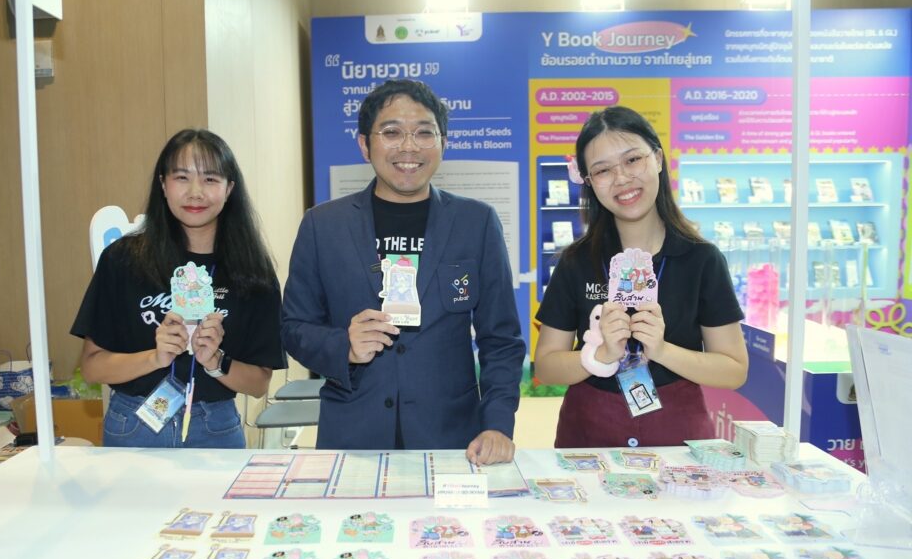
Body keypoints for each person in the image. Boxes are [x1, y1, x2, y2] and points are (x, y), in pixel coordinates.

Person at [281, 79, 525, 464]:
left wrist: (497, 423)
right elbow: (295, 327)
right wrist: (344, 346)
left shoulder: (475, 222)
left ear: (443, 143)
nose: (409, 147)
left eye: (424, 133)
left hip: (451, 436)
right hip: (352, 435)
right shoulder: (322, 225)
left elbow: (502, 339)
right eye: (392, 132)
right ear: (365, 145)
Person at [533, 106, 747, 448]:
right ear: (589, 181)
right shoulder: (575, 262)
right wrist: (600, 355)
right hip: (589, 435)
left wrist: (661, 350)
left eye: (633, 160)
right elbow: (546, 366)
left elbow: (734, 369)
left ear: (658, 158)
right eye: (603, 170)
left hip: (678, 439)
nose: (621, 179)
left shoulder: (701, 260)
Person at [72, 129, 285, 448]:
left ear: (229, 188)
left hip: (214, 426)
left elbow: (259, 383)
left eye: (210, 179)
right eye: (182, 177)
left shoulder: (251, 270)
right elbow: (91, 367)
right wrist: (156, 357)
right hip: (135, 422)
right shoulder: (122, 260)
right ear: (163, 184)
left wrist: (215, 361)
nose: (195, 193)